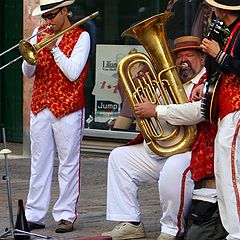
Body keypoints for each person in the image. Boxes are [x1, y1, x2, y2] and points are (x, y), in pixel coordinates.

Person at [101, 36, 209, 240]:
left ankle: (170, 229)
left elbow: (198, 112)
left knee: (174, 168)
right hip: (164, 147)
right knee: (119, 157)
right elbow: (150, 108)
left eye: (189, 55)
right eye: (179, 56)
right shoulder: (169, 80)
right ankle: (131, 222)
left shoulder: (207, 81)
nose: (183, 60)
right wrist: (142, 94)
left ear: (202, 59)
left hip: (193, 150)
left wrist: (157, 110)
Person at [22, 0, 90, 233]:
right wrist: (31, 57)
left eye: (51, 16)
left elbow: (73, 73)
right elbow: (28, 72)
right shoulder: (39, 32)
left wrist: (54, 49)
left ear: (64, 11)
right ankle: (34, 214)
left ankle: (66, 215)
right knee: (38, 163)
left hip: (68, 108)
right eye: (45, 17)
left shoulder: (82, 37)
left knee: (68, 164)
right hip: (41, 106)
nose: (47, 21)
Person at [193, 1, 240, 239]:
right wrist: (207, 84)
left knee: (232, 174)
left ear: (222, 10)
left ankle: (237, 233)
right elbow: (221, 70)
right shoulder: (230, 31)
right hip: (227, 109)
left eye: (214, 7)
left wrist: (217, 54)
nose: (212, 11)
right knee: (224, 174)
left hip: (237, 110)